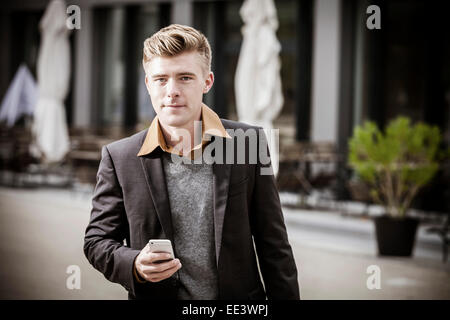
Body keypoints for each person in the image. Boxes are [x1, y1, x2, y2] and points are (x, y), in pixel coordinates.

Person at [84, 24, 299, 300]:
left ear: (207, 81)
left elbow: (275, 246)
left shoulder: (249, 142)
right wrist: (134, 263)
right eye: (161, 79)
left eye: (185, 77)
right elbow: (96, 242)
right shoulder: (119, 157)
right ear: (148, 84)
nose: (171, 90)